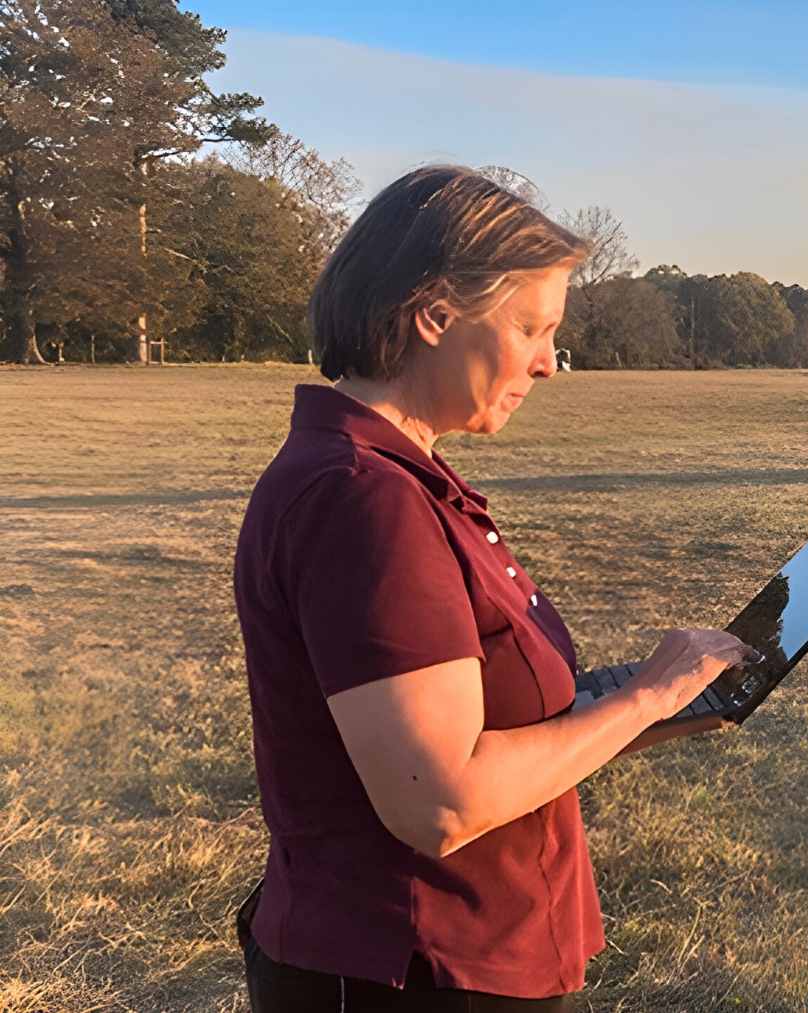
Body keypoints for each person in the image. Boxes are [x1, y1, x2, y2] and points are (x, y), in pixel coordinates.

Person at [231, 165, 751, 1011]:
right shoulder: (363, 499)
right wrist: (644, 697)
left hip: (458, 959)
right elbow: (440, 798)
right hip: (407, 971)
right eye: (531, 328)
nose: (550, 363)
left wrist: (669, 701)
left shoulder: (402, 479)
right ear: (434, 315)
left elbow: (492, 723)